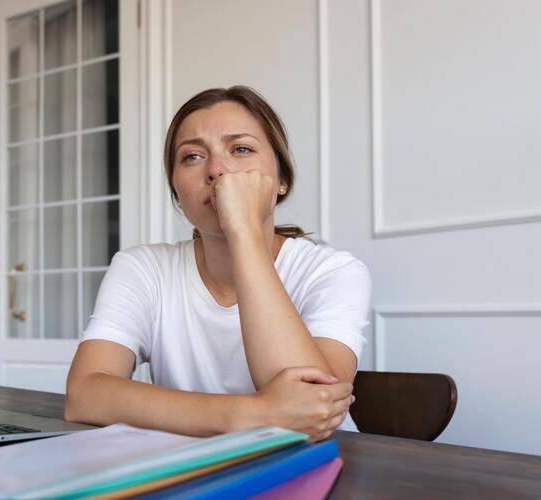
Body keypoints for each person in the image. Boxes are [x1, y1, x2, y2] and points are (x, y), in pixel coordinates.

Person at [65, 86, 371, 442]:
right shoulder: (141, 268)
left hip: (312, 470)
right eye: (192, 157)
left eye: (241, 149)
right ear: (177, 193)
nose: (217, 170)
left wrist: (242, 229)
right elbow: (84, 395)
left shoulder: (334, 272)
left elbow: (312, 408)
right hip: (193, 471)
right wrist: (254, 413)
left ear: (282, 180)